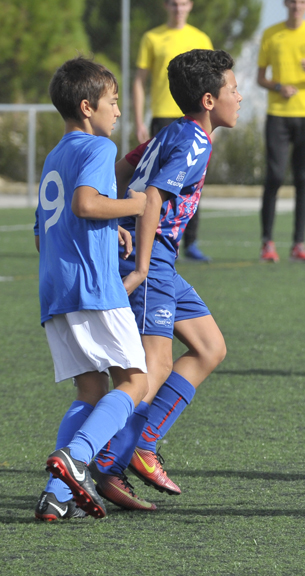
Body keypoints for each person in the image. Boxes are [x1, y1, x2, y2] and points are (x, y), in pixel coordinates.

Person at [86, 49, 240, 511]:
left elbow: (127, 167)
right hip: (152, 263)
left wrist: (120, 221)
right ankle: (107, 462)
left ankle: (142, 445)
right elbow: (151, 195)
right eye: (234, 89)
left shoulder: (175, 131)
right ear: (210, 100)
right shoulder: (192, 140)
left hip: (161, 261)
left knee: (211, 347)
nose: (240, 96)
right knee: (154, 369)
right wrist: (139, 263)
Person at [33, 57, 150, 521]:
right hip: (92, 286)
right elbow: (86, 203)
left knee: (90, 391)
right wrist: (136, 205)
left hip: (55, 288)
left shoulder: (53, 155)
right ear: (87, 107)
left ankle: (56, 497)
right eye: (113, 102)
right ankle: (77, 459)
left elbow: (46, 229)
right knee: (135, 381)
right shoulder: (98, 147)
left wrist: (111, 227)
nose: (118, 111)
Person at [256, 0, 305, 263]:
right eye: (291, 2)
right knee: (275, 176)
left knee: (303, 179)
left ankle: (298, 245)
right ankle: (267, 243)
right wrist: (279, 87)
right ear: (285, 4)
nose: (296, 6)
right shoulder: (271, 34)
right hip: (278, 115)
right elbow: (260, 77)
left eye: (301, 2)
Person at [134, 0, 215, 262]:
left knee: (193, 180)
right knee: (158, 182)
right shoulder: (152, 37)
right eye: (173, 3)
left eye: (183, 3)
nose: (178, 8)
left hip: (195, 116)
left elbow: (213, 81)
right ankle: (155, 235)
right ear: (164, 6)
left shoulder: (200, 38)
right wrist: (139, 120)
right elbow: (139, 80)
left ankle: (190, 241)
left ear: (190, 6)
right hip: (163, 116)